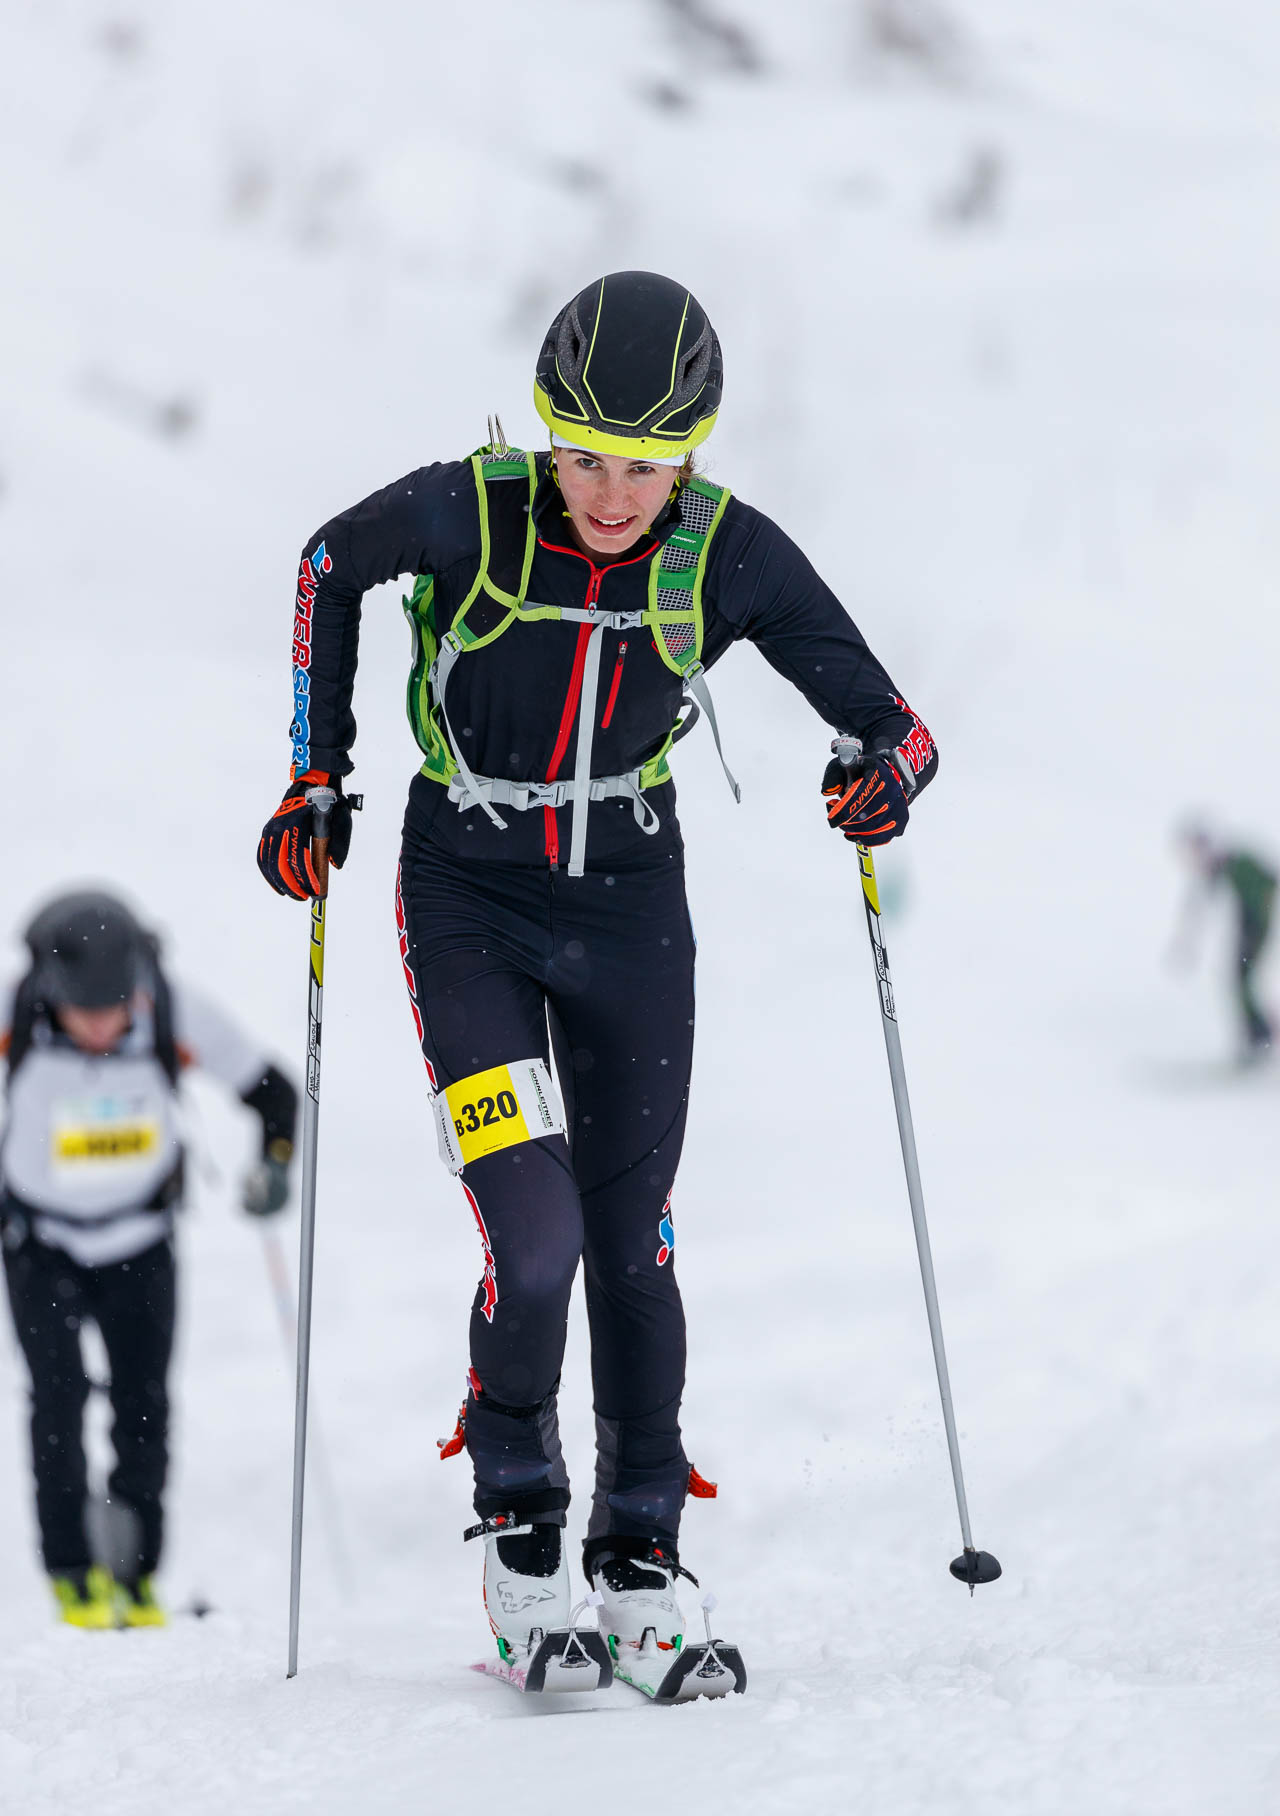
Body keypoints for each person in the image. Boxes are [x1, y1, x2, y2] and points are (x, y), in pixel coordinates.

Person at [256, 269, 938, 1691]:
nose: (612, 495)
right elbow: (331, 560)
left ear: (688, 452)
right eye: (582, 456)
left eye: (643, 465)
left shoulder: (724, 551)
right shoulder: (476, 509)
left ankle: (639, 1565)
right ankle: (519, 1534)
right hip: (468, 898)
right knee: (538, 1232)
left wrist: (883, 778)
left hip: (632, 901)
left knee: (634, 1242)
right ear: (544, 431)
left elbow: (897, 722)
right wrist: (317, 773)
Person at [1, 890, 298, 1628]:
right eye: (84, 1013)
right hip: (40, 1244)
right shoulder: (15, 1015)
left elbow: (272, 1093)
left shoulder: (171, 1008)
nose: (103, 1026)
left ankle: (136, 1573)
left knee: (144, 1403)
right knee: (57, 1401)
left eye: (115, 1008)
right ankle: (72, 1572)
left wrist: (274, 1164)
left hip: (141, 1243)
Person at [1174, 825, 1276, 1060]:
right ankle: (1258, 1035)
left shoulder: (1240, 862)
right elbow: (1196, 903)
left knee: (1242, 976)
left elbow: (1270, 883)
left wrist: (1260, 913)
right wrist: (1186, 943)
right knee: (1240, 977)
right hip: (1249, 924)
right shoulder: (1222, 866)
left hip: (1256, 925)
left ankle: (1261, 1036)